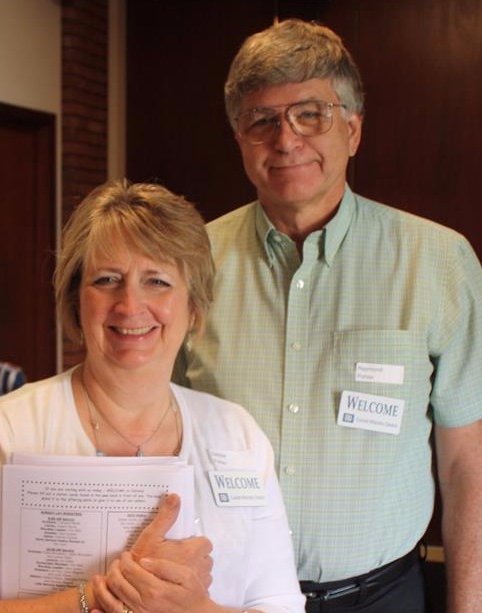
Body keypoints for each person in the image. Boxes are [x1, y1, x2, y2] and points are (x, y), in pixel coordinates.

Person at [173, 18, 482, 613]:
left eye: (311, 113)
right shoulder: (188, 265)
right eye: (261, 119)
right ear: (239, 137)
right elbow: (154, 440)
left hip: (382, 596)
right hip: (223, 597)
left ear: (354, 129)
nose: (285, 140)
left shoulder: (439, 262)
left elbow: (468, 461)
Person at [0, 179, 305, 613]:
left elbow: (281, 606)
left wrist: (194, 608)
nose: (130, 304)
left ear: (193, 307)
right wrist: (103, 598)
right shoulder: (11, 428)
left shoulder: (238, 434)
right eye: (107, 279)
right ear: (75, 303)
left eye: (157, 281)